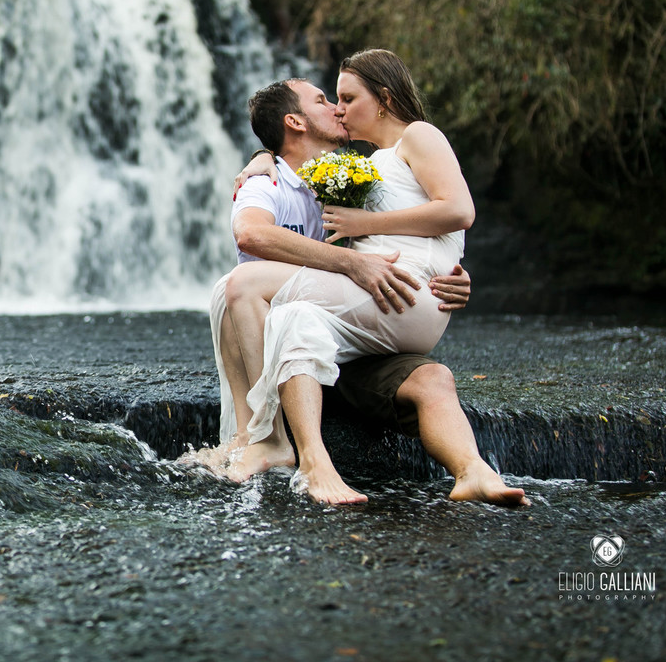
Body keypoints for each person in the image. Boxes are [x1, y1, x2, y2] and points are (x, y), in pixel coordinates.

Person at [190, 58, 526, 506]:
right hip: (383, 308)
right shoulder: (358, 166)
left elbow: (458, 210)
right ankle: (474, 472)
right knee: (303, 319)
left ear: (383, 99)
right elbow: (399, 229)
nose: (339, 109)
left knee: (243, 283)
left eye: (347, 98)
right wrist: (263, 156)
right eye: (331, 100)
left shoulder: (418, 135)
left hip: (398, 294)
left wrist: (376, 232)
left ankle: (267, 438)